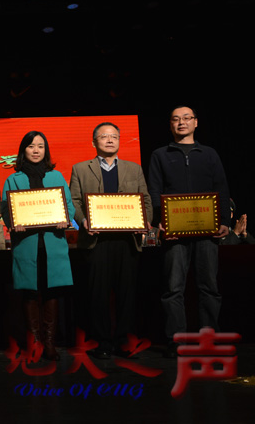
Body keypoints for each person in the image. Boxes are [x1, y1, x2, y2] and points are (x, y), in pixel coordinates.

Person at [148, 106, 230, 358]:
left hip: (207, 231)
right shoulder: (160, 154)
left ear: (196, 122)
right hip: (174, 232)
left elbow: (221, 187)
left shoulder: (209, 154)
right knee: (173, 288)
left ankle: (209, 339)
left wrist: (224, 220)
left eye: (186, 118)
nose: (181, 122)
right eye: (175, 119)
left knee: (209, 287)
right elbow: (154, 191)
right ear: (170, 125)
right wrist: (160, 222)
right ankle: (177, 341)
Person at [69, 122, 153, 359]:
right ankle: (102, 341)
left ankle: (124, 341)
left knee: (126, 294)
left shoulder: (133, 168)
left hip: (127, 240)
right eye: (104, 136)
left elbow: (145, 200)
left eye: (114, 136)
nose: (109, 140)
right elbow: (74, 201)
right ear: (94, 141)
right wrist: (83, 220)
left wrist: (145, 220)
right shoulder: (80, 168)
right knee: (98, 294)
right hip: (96, 241)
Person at [1, 131, 75, 361]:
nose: (36, 150)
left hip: (52, 241)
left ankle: (50, 342)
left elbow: (69, 205)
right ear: (23, 150)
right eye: (31, 146)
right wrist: (13, 222)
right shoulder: (13, 179)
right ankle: (34, 342)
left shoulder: (57, 176)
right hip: (26, 243)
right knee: (30, 291)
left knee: (52, 289)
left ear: (46, 150)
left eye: (40, 146)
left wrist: (65, 219)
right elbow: (6, 208)